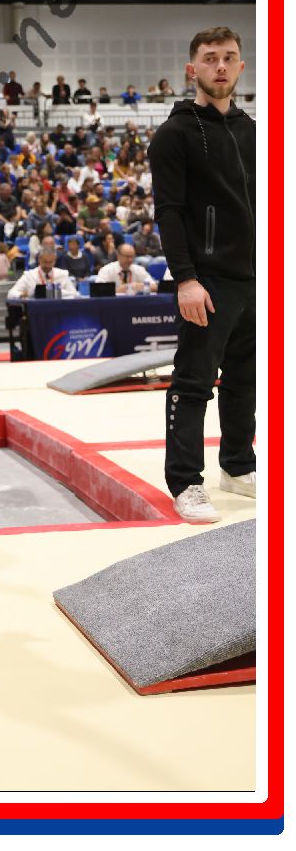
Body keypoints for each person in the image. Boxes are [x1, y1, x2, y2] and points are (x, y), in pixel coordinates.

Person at [147, 26, 256, 522]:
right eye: (210, 58)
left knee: (245, 379)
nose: (220, 65)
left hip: (254, 277)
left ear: (241, 66)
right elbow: (169, 213)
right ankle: (186, 481)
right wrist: (186, 279)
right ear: (193, 69)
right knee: (193, 382)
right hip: (207, 281)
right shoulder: (175, 134)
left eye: (229, 57)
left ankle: (238, 464)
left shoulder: (252, 131)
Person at [7, 247, 76, 299]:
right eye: (45, 262)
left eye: (50, 262)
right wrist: (21, 295)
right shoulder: (29, 275)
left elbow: (74, 294)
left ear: (55, 261)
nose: (48, 266)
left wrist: (54, 292)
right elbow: (11, 294)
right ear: (39, 260)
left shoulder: (63, 274)